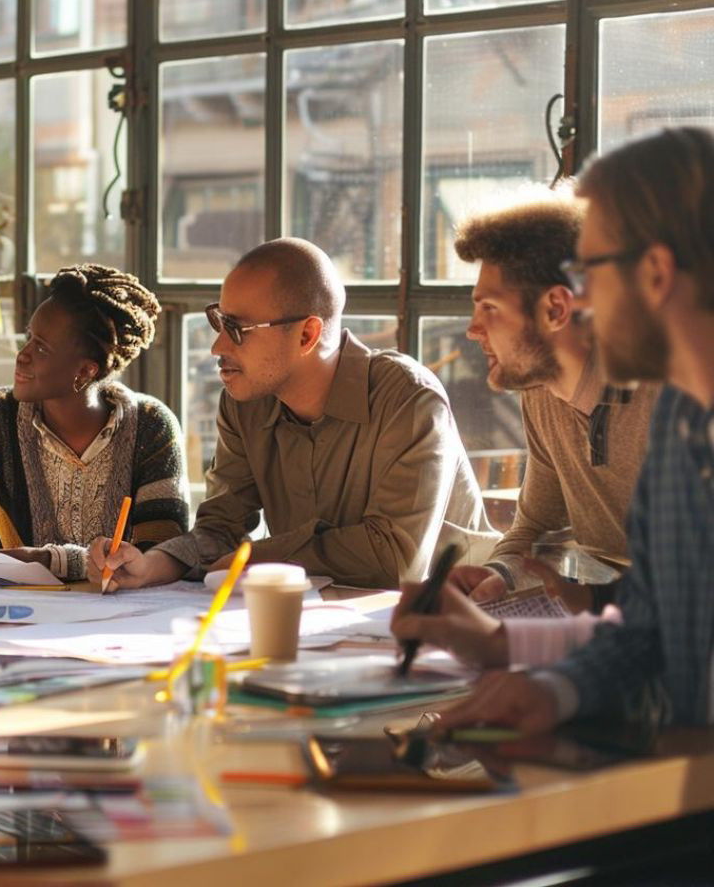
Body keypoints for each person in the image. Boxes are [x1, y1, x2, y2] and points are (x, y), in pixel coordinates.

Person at [411, 126, 714, 735]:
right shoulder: (686, 423)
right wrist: (550, 689)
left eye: (592, 269)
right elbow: (648, 626)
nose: (582, 300)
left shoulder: (668, 415)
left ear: (654, 272)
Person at [88, 238, 496, 592]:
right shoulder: (244, 401)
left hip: (440, 631)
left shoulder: (408, 399)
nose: (217, 347)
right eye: (218, 321)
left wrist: (256, 556)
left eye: (237, 328)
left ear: (307, 335)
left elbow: (395, 559)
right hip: (314, 626)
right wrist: (150, 566)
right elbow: (220, 528)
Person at [449, 194, 658, 606]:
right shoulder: (543, 394)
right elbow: (537, 526)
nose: (473, 330)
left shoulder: (670, 398)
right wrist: (500, 575)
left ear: (557, 308)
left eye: (489, 307)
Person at [0, 264, 189, 581]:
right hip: (23, 613)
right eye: (29, 338)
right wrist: (66, 562)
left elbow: (157, 556)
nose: (22, 355)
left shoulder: (153, 427)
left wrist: (43, 559)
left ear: (85, 371)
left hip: (125, 618)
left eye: (41, 347)